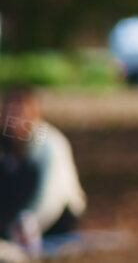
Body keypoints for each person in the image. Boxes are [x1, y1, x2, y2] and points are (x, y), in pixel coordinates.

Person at [0, 87, 86, 257]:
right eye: (9, 111)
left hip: (56, 216)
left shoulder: (46, 141)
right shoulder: (6, 143)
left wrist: (28, 226)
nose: (14, 119)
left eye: (20, 112)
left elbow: (51, 195)